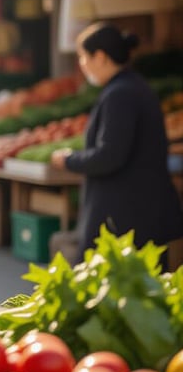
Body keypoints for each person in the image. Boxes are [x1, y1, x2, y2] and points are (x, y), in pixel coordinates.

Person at [50, 23, 182, 267]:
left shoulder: (120, 94)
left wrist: (69, 159)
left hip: (126, 218)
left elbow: (110, 155)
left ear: (100, 57)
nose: (82, 64)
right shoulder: (132, 87)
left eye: (83, 57)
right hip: (139, 212)